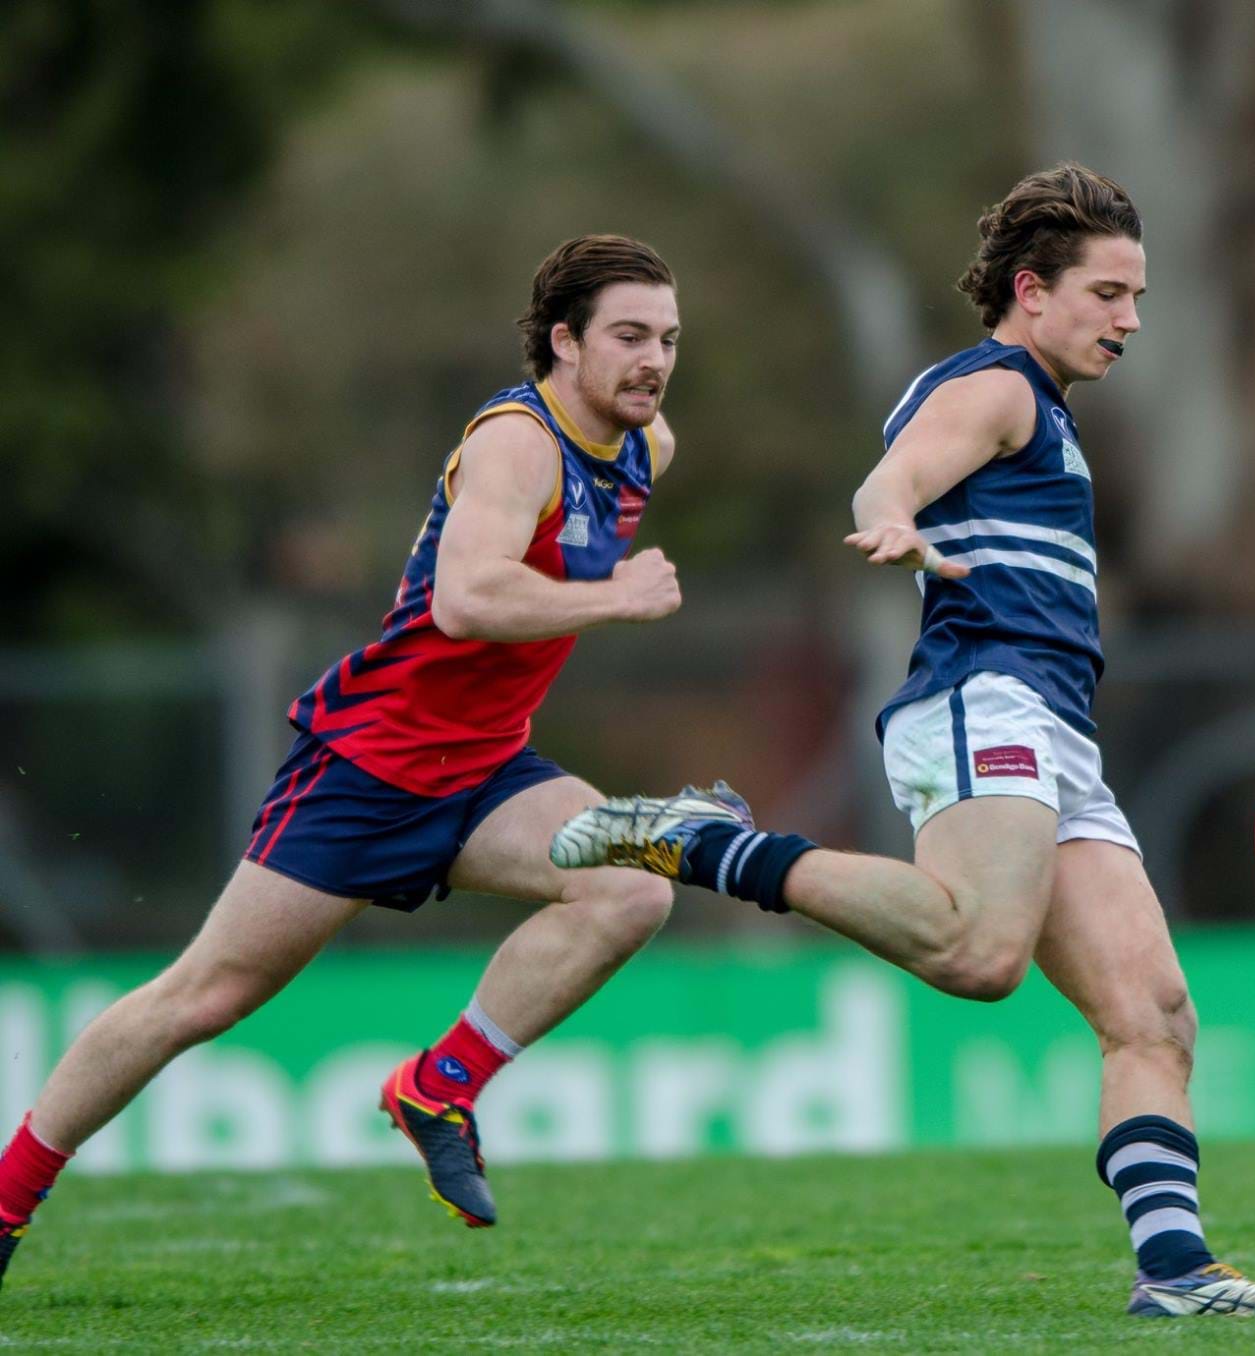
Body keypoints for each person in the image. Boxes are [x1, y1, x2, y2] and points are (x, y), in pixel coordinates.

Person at [551, 166, 1255, 1319]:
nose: (1128, 319)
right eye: (1107, 293)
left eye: (1137, 297)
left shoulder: (1040, 406)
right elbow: (891, 479)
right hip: (985, 699)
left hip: (1054, 727)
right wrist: (893, 524)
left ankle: (1175, 1274)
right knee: (977, 954)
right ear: (1031, 290)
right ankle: (708, 842)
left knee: (1154, 1016)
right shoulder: (1000, 385)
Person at [0, 234, 738, 1291]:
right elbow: (465, 600)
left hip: (487, 772)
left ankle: (439, 1087)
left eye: (667, 338)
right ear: (564, 341)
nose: (654, 360)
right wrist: (614, 596)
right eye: (629, 335)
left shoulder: (645, 446)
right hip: (370, 769)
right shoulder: (516, 443)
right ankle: (7, 1197)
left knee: (631, 888)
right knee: (200, 998)